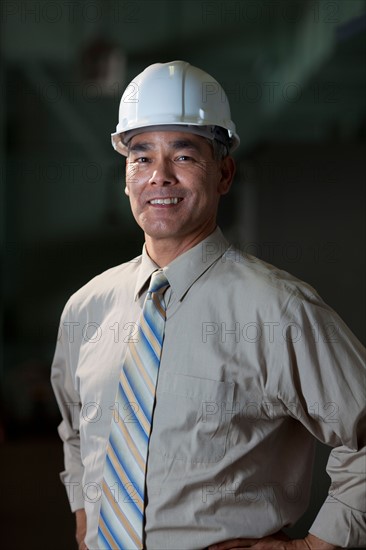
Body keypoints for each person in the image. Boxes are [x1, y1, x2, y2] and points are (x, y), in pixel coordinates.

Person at [51, 60, 365, 550]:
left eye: (184, 157)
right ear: (126, 175)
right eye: (141, 157)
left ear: (224, 172)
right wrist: (84, 520)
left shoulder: (279, 311)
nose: (159, 177)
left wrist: (317, 546)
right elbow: (75, 432)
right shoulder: (86, 308)